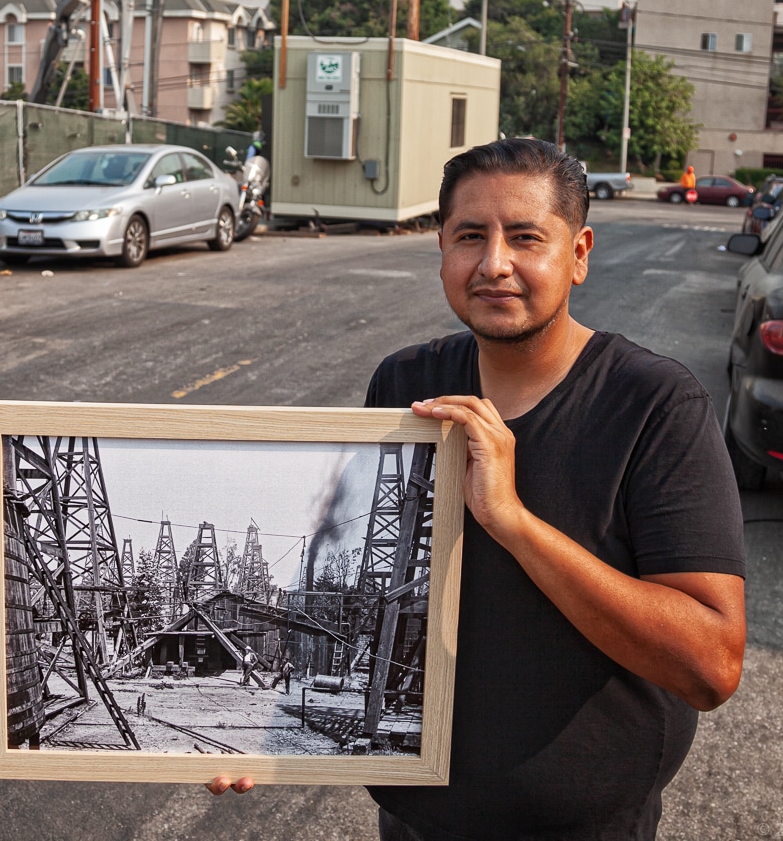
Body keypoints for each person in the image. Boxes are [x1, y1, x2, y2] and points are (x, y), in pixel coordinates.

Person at [209, 139, 747, 839]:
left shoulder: (653, 406)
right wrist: (268, 732)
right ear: (441, 250)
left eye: (526, 237)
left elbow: (711, 665)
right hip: (416, 819)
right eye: (470, 236)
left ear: (578, 253)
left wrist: (512, 521)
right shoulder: (405, 387)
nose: (495, 264)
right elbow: (362, 599)